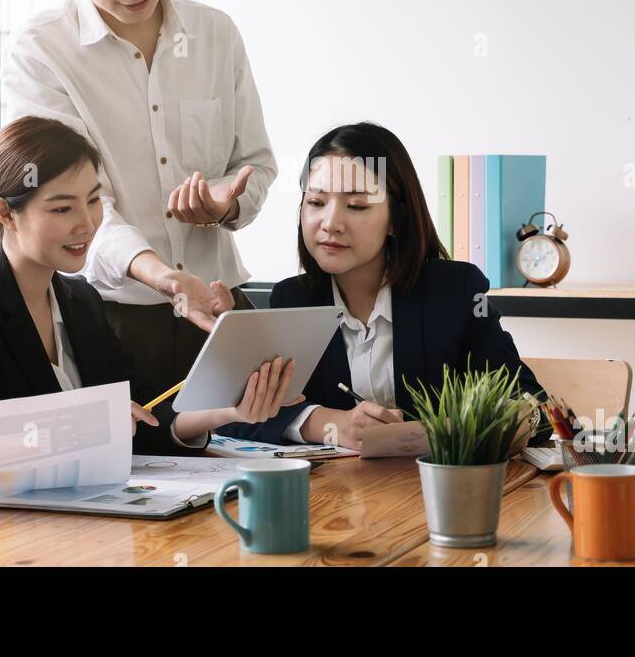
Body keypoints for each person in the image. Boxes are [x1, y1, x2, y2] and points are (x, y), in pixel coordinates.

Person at [1, 0, 277, 405]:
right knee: (137, 481)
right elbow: (67, 201)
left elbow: (257, 161)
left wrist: (225, 205)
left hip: (221, 305)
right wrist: (162, 277)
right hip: (107, 313)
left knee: (258, 464)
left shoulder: (215, 34)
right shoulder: (42, 52)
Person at [0, 117, 301, 452]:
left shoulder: (82, 302)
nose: (86, 223)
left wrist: (231, 409)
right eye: (62, 208)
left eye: (94, 200)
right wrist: (80, 424)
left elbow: (142, 418)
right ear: (5, 213)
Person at [223, 123, 545, 450]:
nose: (330, 223)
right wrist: (329, 423)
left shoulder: (455, 291)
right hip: (338, 497)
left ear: (396, 218)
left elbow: (530, 402)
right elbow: (237, 414)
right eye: (316, 202)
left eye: (357, 205)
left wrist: (430, 432)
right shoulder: (292, 300)